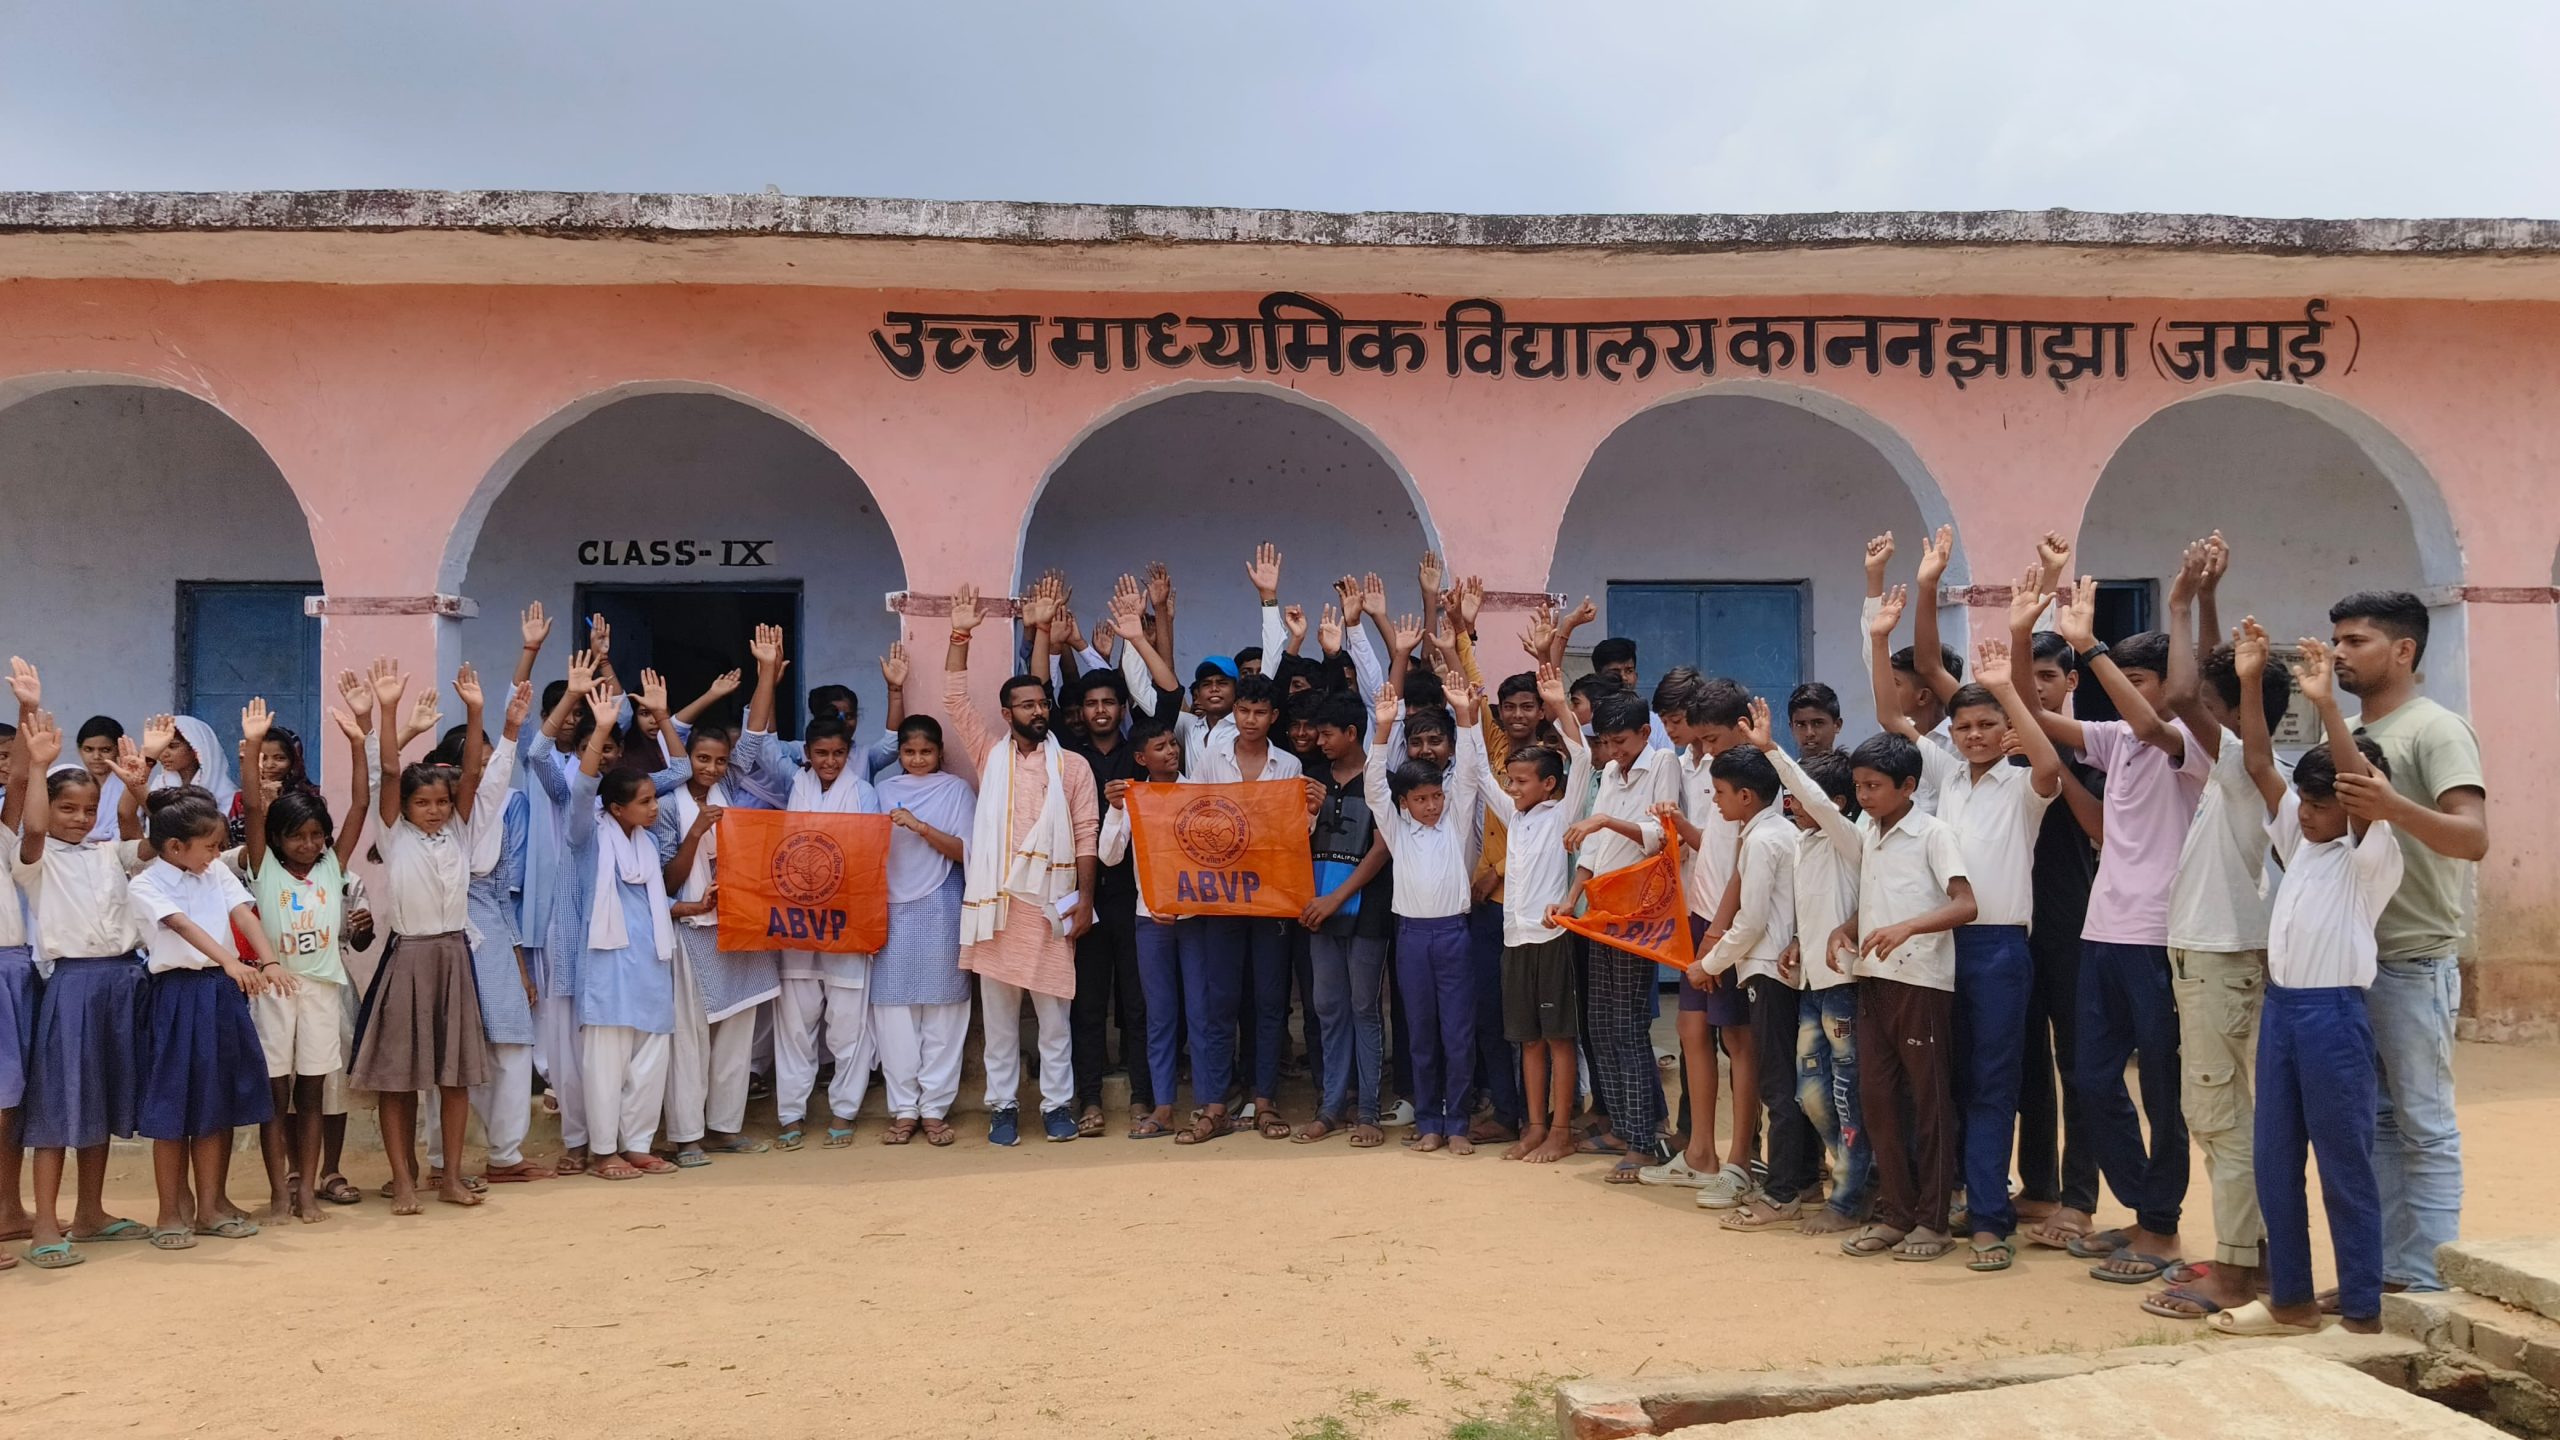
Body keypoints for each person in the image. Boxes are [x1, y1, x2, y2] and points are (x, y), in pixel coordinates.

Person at [2209, 626, 2400, 1339]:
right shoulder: (2301, 835)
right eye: (2306, 804)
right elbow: (2260, 761)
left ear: (2355, 804)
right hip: (2283, 1013)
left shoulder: (2370, 853)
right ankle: (2290, 1299)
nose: (2308, 814)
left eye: (2323, 805)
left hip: (2333, 1018)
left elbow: (2359, 791)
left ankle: (2362, 1308)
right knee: (2275, 1161)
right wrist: (2251, 681)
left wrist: (2326, 707)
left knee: (2344, 1167)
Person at [2034, 576, 2209, 1283]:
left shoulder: (2189, 743)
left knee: (2162, 1088)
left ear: (2172, 685)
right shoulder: (2117, 743)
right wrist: (2018, 636)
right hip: (2102, 933)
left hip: (2159, 937)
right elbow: (2037, 717)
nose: (2123, 694)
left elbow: (2154, 726)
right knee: (2093, 1077)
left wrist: (2090, 647)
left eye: (2138, 682)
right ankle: (2144, 1205)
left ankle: (2161, 1228)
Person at [2144, 537, 2294, 1316]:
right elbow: (2202, 685)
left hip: (2219, 961)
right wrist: (2207, 601)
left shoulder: (2241, 765)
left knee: (2220, 1117)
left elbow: (2179, 694)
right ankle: (2251, 1255)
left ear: (2230, 715)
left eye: (2213, 704)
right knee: (2230, 1113)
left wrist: (2177, 602)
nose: (2195, 710)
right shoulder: (2244, 765)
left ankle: (2237, 1273)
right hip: (2219, 959)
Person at [2330, 589, 2486, 1299]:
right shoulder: (2351, 730)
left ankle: (2427, 1279)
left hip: (2414, 958)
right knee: (2381, 1125)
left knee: (2423, 1125)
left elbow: (2472, 837)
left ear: (2403, 650)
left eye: (2355, 641)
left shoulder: (2436, 729)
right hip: (2357, 959)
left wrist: (2393, 806)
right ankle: (2393, 1275)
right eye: (2337, 640)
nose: (2340, 653)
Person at [946, 584, 1101, 1147]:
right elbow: (954, 700)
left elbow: (1086, 836)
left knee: (1055, 1020)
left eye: (1043, 704)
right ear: (1007, 714)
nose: (1038, 711)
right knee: (1000, 1022)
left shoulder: (1073, 767)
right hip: (998, 908)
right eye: (1027, 705)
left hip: (1051, 907)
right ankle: (1003, 1108)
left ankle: (1057, 1106)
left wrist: (1084, 902)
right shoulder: (990, 755)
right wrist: (960, 635)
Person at [349, 659, 494, 1216]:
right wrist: (388, 711)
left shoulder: (458, 829)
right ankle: (403, 1180)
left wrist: (476, 712)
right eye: (422, 803)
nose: (434, 811)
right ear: (405, 808)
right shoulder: (394, 835)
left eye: (440, 802)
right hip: (409, 958)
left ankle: (450, 1177)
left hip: (453, 956)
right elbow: (388, 771)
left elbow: (472, 775)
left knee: (455, 1079)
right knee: (399, 1080)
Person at [1940, 638, 2065, 1272]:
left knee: (1993, 1083)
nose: (1975, 736)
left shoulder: (2022, 787)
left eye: (1987, 724)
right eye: (1964, 726)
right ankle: (1963, 1196)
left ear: (2007, 728)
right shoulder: (1946, 784)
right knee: (1952, 1080)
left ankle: (1991, 1218)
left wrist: (2009, 692)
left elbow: (2050, 766)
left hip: (1999, 949)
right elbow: (1891, 715)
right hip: (1942, 946)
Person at [11, 707, 153, 1268]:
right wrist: (39, 764)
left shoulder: (109, 852)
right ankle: (46, 1224)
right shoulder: (35, 860)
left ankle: (90, 1213)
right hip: (73, 986)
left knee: (103, 1101)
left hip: (122, 981)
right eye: (67, 808)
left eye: (88, 809)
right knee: (58, 1106)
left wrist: (138, 791)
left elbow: (156, 845)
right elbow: (33, 829)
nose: (79, 818)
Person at [733, 625, 884, 1150]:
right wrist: (766, 674)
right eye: (820, 753)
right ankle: (791, 1114)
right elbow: (756, 743)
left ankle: (844, 1110)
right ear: (808, 753)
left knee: (846, 1025)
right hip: (796, 921)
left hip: (846, 922)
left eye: (837, 754)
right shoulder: (790, 782)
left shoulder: (864, 793)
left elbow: (869, 859)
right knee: (795, 1025)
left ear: (848, 752)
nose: (829, 762)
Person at [1835, 733, 1976, 1263]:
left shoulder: (1934, 833)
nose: (1863, 795)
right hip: (1873, 978)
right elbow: (1877, 898)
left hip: (1921, 981)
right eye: (1858, 786)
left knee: (1929, 1103)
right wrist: (1844, 929)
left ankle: (1933, 1221)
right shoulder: (1868, 831)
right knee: (1878, 1100)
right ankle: (1895, 1212)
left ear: (1909, 785)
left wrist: (1908, 928)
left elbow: (1965, 904)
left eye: (1873, 786)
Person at [2006, 538, 2108, 1254]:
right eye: (2030, 676)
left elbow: (2094, 824)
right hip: (2012, 925)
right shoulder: (1999, 744)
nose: (2037, 688)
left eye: (2048, 676)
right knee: (2024, 1063)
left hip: (2073, 921)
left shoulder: (2093, 747)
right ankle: (2038, 1185)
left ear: (2069, 681)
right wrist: (2034, 595)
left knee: (2079, 1062)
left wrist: (2053, 764)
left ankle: (2080, 1198)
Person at [239, 684, 373, 1222]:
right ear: (276, 839)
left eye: (318, 835)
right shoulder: (264, 869)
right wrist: (252, 747)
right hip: (275, 992)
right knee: (276, 1096)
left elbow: (360, 805)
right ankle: (280, 1191)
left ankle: (310, 1190)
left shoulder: (331, 868)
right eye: (297, 836)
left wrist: (359, 744)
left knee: (314, 1093)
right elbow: (253, 806)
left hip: (320, 992)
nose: (309, 844)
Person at [129, 777, 282, 1248]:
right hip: (177, 995)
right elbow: (181, 925)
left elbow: (243, 914)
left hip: (219, 994)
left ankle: (211, 1206)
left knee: (216, 1103)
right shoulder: (146, 883)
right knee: (173, 1107)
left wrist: (269, 961)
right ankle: (169, 1213)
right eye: (211, 847)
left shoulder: (214, 872)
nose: (217, 855)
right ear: (175, 846)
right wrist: (230, 961)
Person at [1743, 699, 1873, 1236]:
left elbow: (1816, 801)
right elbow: (1812, 908)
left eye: (1798, 797)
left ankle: (1850, 1197)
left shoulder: (1848, 838)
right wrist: (1798, 939)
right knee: (1811, 1094)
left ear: (1835, 804)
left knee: (1846, 1096)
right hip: (1812, 987)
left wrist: (1773, 751)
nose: (1791, 804)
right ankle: (1849, 1178)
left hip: (1843, 987)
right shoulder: (1803, 844)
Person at [556, 682, 682, 1183]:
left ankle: (637, 1145)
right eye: (645, 801)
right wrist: (602, 730)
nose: (654, 808)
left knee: (650, 1058)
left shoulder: (648, 845)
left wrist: (664, 716)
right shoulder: (588, 837)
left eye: (654, 799)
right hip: (608, 968)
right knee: (606, 1063)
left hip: (650, 964)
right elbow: (582, 790)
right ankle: (604, 1151)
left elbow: (682, 770)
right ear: (616, 809)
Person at [421, 679, 543, 1191]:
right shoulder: (422, 824)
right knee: (441, 1053)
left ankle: (505, 1154)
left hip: (491, 937)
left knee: (510, 1045)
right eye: (478, 764)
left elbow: (499, 894)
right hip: (434, 938)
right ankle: (436, 1161)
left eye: (494, 764)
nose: (487, 774)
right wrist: (505, 726)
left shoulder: (494, 818)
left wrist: (519, 964)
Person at [1642, 676, 1758, 1205]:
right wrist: (1679, 823)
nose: (1704, 747)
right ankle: (1700, 1154)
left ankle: (1741, 1161)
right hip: (1700, 916)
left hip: (1726, 926)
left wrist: (1717, 932)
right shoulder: (1716, 774)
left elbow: (1743, 865)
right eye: (1701, 739)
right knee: (1691, 1029)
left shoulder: (1753, 779)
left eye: (1711, 738)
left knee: (1738, 1041)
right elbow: (1712, 846)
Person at [1696, 743, 1819, 1231]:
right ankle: (1803, 1180)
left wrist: (1708, 963)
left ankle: (1783, 1192)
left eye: (1720, 793)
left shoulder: (1764, 840)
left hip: (1767, 971)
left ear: (1746, 796)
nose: (1716, 801)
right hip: (1779, 968)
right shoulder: (1779, 832)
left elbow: (1750, 921)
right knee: (1790, 1081)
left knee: (1778, 1084)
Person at [1366, 679, 1485, 1153]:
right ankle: (1430, 1120)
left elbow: (1469, 773)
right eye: (1421, 799)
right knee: (1420, 1034)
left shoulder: (1455, 823)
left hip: (1454, 935)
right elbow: (1374, 787)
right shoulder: (1397, 830)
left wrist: (1465, 716)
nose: (1432, 805)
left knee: (1458, 1034)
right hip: (1412, 938)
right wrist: (1382, 729)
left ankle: (1458, 1124)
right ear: (1405, 803)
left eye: (1436, 796)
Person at [1185, 668, 1304, 1141]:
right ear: (1233, 712)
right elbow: (1191, 818)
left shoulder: (1289, 765)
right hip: (1223, 895)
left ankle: (1265, 1101)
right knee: (1221, 1001)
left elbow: (1295, 833)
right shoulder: (1211, 757)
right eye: (1244, 710)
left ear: (1274, 716)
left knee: (1271, 1001)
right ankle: (1215, 1104)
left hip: (1272, 896)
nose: (1251, 719)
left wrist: (1309, 812)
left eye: (1260, 712)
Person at [1557, 689, 1671, 1181]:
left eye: (1621, 741)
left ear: (1644, 733)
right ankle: (1623, 1127)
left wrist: (1604, 819)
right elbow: (1593, 848)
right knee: (1600, 1025)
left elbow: (1660, 835)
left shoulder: (1661, 763)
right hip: (1600, 909)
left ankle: (1644, 1140)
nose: (1614, 751)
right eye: (1606, 742)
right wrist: (1572, 897)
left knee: (1628, 1027)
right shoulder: (1610, 773)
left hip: (1637, 915)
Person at [658, 721, 781, 1160]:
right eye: (702, 759)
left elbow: (754, 737)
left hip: (738, 924)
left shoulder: (727, 789)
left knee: (737, 1031)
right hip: (692, 929)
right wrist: (696, 832)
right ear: (686, 759)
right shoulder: (666, 805)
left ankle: (724, 1128)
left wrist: (766, 683)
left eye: (720, 761)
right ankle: (687, 1135)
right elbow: (667, 881)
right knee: (689, 1037)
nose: (711, 768)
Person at [1485, 664, 1588, 1164]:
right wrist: (1466, 717)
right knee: (1528, 1040)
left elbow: (1582, 758)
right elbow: (1477, 772)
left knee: (1558, 1038)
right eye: (1510, 780)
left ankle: (1561, 1131)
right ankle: (1535, 1127)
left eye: (1522, 781)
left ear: (1549, 785)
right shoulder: (1514, 815)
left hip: (1552, 939)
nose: (1512, 788)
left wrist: (1559, 705)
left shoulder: (1560, 815)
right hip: (1515, 938)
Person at [872, 715, 977, 1146]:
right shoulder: (881, 791)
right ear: (898, 753)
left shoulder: (956, 790)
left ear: (940, 753)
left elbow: (967, 851)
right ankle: (903, 1109)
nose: (917, 759)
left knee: (944, 1010)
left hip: (942, 903)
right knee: (893, 1013)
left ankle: (934, 1108)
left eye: (926, 752)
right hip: (890, 907)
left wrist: (920, 827)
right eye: (909, 752)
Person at [1299, 691, 1392, 1147]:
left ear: (1352, 733)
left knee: (1364, 1009)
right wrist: (1309, 813)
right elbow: (1290, 841)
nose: (1319, 742)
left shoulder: (1381, 779)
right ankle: (1330, 1108)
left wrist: (1335, 898)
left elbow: (1383, 847)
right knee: (1328, 1008)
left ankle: (1369, 1111)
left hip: (1366, 912)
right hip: (1318, 910)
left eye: (1327, 734)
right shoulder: (1311, 780)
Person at [1097, 717, 1188, 1139]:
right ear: (1140, 758)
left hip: (1198, 917)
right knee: (1159, 1015)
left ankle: (1211, 1103)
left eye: (1173, 743)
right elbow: (1110, 857)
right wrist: (1116, 810)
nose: (1171, 751)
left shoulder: (1198, 790)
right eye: (1160, 747)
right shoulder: (1134, 797)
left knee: (1206, 1013)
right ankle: (1164, 1105)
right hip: (1150, 915)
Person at [1865, 531, 1964, 815]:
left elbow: (1930, 666)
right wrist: (1875, 576)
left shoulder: (1960, 741)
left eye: (1895, 683)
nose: (1885, 689)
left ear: (1923, 696)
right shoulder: (1894, 728)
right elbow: (1873, 653)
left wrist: (1928, 586)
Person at [228, 721, 321, 847]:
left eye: (280, 758)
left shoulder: (311, 796)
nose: (270, 765)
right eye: (263, 758)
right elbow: (238, 841)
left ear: (294, 760)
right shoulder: (241, 798)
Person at [1589, 636, 1675, 752]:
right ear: (1598, 678)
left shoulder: (1656, 723)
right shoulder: (1587, 721)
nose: (1624, 678)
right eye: (1615, 672)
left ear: (1636, 676)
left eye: (1629, 671)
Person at [1786, 683, 1843, 757]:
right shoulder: (1784, 765)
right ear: (1792, 728)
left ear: (1837, 725)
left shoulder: (1853, 764)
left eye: (1818, 723)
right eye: (1800, 725)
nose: (1809, 733)